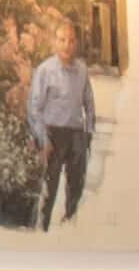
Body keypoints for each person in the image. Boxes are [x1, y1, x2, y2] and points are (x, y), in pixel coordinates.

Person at [27, 17, 96, 230]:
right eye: (62, 39)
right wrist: (42, 138)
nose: (67, 45)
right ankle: (42, 229)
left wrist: (89, 132)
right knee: (49, 187)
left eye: (71, 40)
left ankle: (69, 226)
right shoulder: (45, 70)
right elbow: (34, 108)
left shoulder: (82, 70)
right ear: (54, 42)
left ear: (76, 43)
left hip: (76, 134)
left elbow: (89, 102)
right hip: (52, 135)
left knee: (76, 185)